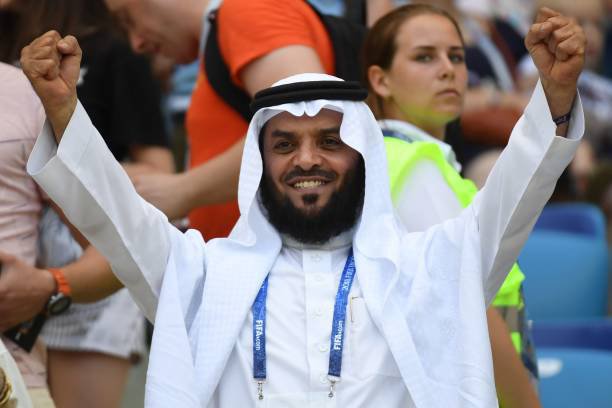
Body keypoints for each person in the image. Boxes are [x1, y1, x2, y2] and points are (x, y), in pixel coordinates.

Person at [21, 7, 584, 406]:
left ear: (363, 155)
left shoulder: (428, 267)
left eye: (330, 142)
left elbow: (514, 197)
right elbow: (116, 217)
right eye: (284, 145)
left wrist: (553, 98)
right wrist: (65, 112)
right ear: (259, 164)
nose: (306, 159)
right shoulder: (201, 275)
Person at [363, 5, 540, 406]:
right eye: (424, 57)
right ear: (380, 80)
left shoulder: (416, 158)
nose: (448, 70)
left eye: (456, 57)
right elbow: (468, 307)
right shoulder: (412, 164)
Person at [0, 1, 174, 406]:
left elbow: (156, 175)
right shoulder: (15, 47)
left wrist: (50, 284)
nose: (141, 41)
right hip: (50, 259)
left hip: (68, 279)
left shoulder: (108, 50)